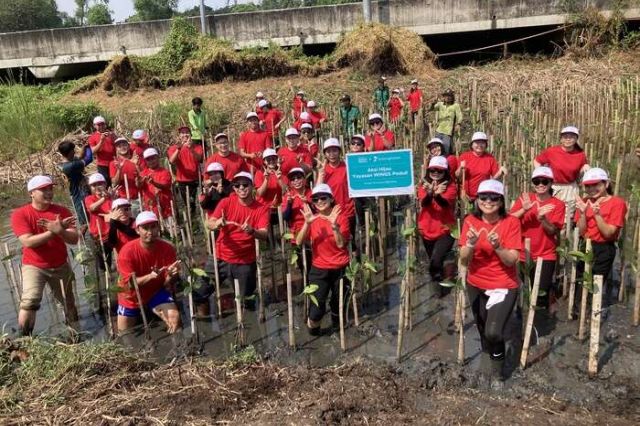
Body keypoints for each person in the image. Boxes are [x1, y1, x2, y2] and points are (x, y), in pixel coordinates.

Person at [459, 179, 522, 373]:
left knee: (493, 332)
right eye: (483, 197)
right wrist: (470, 244)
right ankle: (486, 366)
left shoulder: (511, 222)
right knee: (482, 330)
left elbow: (512, 260)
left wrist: (498, 247)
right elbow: (463, 259)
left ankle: (498, 374)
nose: (488, 201)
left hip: (503, 284)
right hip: (475, 282)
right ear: (477, 200)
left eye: (494, 197)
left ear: (501, 201)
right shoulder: (470, 221)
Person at [11, 175, 79, 335]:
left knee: (69, 303)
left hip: (60, 264)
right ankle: (25, 339)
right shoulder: (20, 214)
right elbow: (27, 242)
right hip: (34, 265)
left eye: (50, 189)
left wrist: (61, 230)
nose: (49, 192)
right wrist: (53, 232)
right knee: (29, 302)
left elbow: (74, 239)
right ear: (31, 193)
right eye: (43, 190)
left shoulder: (62, 211)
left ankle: (75, 336)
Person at [510, 167, 565, 323]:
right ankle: (522, 322)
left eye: (544, 181)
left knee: (540, 291)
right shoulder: (524, 198)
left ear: (551, 183)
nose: (540, 184)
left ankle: (540, 325)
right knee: (523, 289)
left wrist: (542, 219)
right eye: (537, 181)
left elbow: (553, 230)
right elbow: (508, 221)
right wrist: (524, 209)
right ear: (532, 183)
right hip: (522, 252)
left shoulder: (557, 204)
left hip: (546, 254)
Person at [207, 172, 270, 304]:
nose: (241, 188)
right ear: (234, 188)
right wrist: (218, 223)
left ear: (252, 186)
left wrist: (252, 231)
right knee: (200, 292)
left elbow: (264, 234)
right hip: (220, 257)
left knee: (246, 299)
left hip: (245, 261)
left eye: (245, 184)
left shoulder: (262, 209)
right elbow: (209, 223)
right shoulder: (226, 202)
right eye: (237, 185)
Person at [296, 184, 351, 335]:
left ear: (331, 199)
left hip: (341, 268)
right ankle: (314, 335)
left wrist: (334, 226)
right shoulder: (312, 219)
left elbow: (341, 244)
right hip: (319, 269)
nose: (320, 201)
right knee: (316, 311)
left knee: (338, 305)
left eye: (323, 198)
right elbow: (299, 241)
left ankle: (337, 332)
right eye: (315, 199)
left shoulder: (342, 218)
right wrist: (307, 223)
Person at [116, 211, 182, 334]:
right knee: (123, 334)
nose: (150, 232)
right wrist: (151, 276)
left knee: (175, 320)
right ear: (137, 230)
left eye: (153, 227)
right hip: (131, 297)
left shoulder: (167, 249)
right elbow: (130, 284)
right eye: (145, 228)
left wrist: (173, 275)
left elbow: (168, 282)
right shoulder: (127, 252)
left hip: (155, 292)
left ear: (158, 227)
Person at [574, 167, 627, 305]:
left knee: (595, 284)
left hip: (604, 247)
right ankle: (578, 312)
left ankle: (592, 314)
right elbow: (581, 231)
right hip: (586, 245)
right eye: (588, 186)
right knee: (581, 281)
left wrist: (597, 215)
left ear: (606, 184)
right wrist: (584, 213)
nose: (592, 189)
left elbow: (609, 233)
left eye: (596, 185)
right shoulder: (584, 201)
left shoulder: (617, 203)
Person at [417, 156, 458, 291]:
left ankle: (441, 291)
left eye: (439, 171)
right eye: (432, 170)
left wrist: (437, 195)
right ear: (428, 171)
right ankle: (438, 288)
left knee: (436, 259)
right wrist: (430, 193)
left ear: (445, 172)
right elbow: (424, 203)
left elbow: (445, 204)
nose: (435, 173)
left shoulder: (451, 186)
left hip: (446, 230)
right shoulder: (423, 185)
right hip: (427, 229)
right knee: (435, 263)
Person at [534, 126, 589, 219]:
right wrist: (540, 175)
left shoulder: (580, 155)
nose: (568, 139)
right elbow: (537, 161)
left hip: (570, 188)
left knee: (567, 217)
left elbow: (583, 166)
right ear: (561, 139)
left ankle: (565, 232)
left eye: (571, 137)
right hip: (553, 187)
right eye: (565, 137)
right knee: (550, 213)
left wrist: (585, 167)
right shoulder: (552, 151)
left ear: (576, 139)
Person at [317, 138, 356, 251]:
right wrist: (321, 174)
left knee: (349, 242)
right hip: (330, 213)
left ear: (339, 152)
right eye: (328, 151)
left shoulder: (347, 167)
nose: (332, 154)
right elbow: (317, 192)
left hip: (347, 211)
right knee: (334, 242)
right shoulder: (324, 170)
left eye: (334, 151)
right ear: (325, 154)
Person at [457, 132, 506, 202]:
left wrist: (500, 171)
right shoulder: (464, 156)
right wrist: (461, 168)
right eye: (477, 143)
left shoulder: (490, 158)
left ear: (486, 145)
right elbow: (457, 176)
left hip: (482, 197)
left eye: (482, 143)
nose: (479, 145)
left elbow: (494, 178)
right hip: (465, 196)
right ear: (472, 145)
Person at [282, 167, 312, 274]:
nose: (296, 181)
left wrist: (307, 203)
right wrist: (289, 204)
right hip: (296, 236)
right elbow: (286, 217)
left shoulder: (312, 194)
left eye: (299, 178)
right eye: (293, 179)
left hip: (313, 236)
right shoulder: (288, 196)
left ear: (304, 179)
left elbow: (318, 213)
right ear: (290, 182)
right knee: (303, 266)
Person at [168, 126, 203, 217]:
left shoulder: (197, 146)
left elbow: (199, 159)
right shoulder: (173, 148)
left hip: (196, 180)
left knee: (200, 202)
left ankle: (198, 219)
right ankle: (191, 220)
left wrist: (191, 149)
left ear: (191, 135)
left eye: (187, 132)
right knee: (188, 204)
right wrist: (179, 148)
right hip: (182, 181)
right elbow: (171, 161)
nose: (185, 135)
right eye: (182, 133)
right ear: (179, 136)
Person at [58, 139, 93, 226]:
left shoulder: (67, 163)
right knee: (85, 222)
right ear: (69, 152)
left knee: (89, 219)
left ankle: (89, 237)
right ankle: (80, 237)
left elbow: (80, 157)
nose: (74, 152)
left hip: (80, 192)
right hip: (80, 195)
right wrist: (89, 147)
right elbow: (89, 158)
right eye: (73, 150)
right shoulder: (71, 166)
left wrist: (84, 147)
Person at [84, 173, 114, 271]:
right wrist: (104, 199)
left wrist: (113, 198)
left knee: (115, 259)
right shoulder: (89, 199)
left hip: (112, 234)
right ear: (90, 187)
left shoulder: (111, 197)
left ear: (105, 184)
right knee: (103, 264)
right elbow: (92, 208)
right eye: (94, 185)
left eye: (100, 184)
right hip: (99, 236)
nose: (97, 187)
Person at [139, 148, 173, 219]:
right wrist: (139, 182)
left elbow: (165, 186)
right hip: (151, 210)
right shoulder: (143, 174)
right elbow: (138, 186)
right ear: (145, 161)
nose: (151, 161)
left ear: (158, 158)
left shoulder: (165, 172)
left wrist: (153, 183)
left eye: (153, 158)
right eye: (148, 159)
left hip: (166, 209)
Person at [430, 89, 463, 155]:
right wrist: (433, 103)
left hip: (448, 132)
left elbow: (460, 115)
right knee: (436, 149)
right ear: (443, 97)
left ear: (452, 97)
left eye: (449, 96)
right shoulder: (440, 104)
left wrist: (458, 124)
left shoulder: (455, 106)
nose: (447, 97)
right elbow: (432, 109)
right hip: (439, 130)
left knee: (445, 149)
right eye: (446, 96)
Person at [255, 148, 286, 217]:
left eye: (273, 158)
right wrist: (266, 179)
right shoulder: (259, 173)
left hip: (279, 209)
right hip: (263, 209)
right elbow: (259, 194)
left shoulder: (281, 173)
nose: (271, 161)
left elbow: (285, 192)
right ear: (264, 161)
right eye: (268, 159)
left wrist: (280, 179)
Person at [109, 137, 141, 204]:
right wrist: (119, 170)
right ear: (116, 149)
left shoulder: (136, 160)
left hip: (139, 198)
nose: (122, 147)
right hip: (123, 200)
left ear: (129, 146)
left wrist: (137, 165)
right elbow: (114, 183)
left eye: (124, 145)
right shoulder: (113, 163)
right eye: (119, 146)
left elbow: (142, 178)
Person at [87, 115, 116, 186]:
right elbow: (93, 151)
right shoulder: (92, 137)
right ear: (94, 126)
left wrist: (114, 137)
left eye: (102, 124)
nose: (101, 126)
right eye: (99, 124)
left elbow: (118, 146)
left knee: (115, 182)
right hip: (102, 165)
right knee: (105, 183)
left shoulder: (111, 134)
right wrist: (101, 140)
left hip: (113, 163)